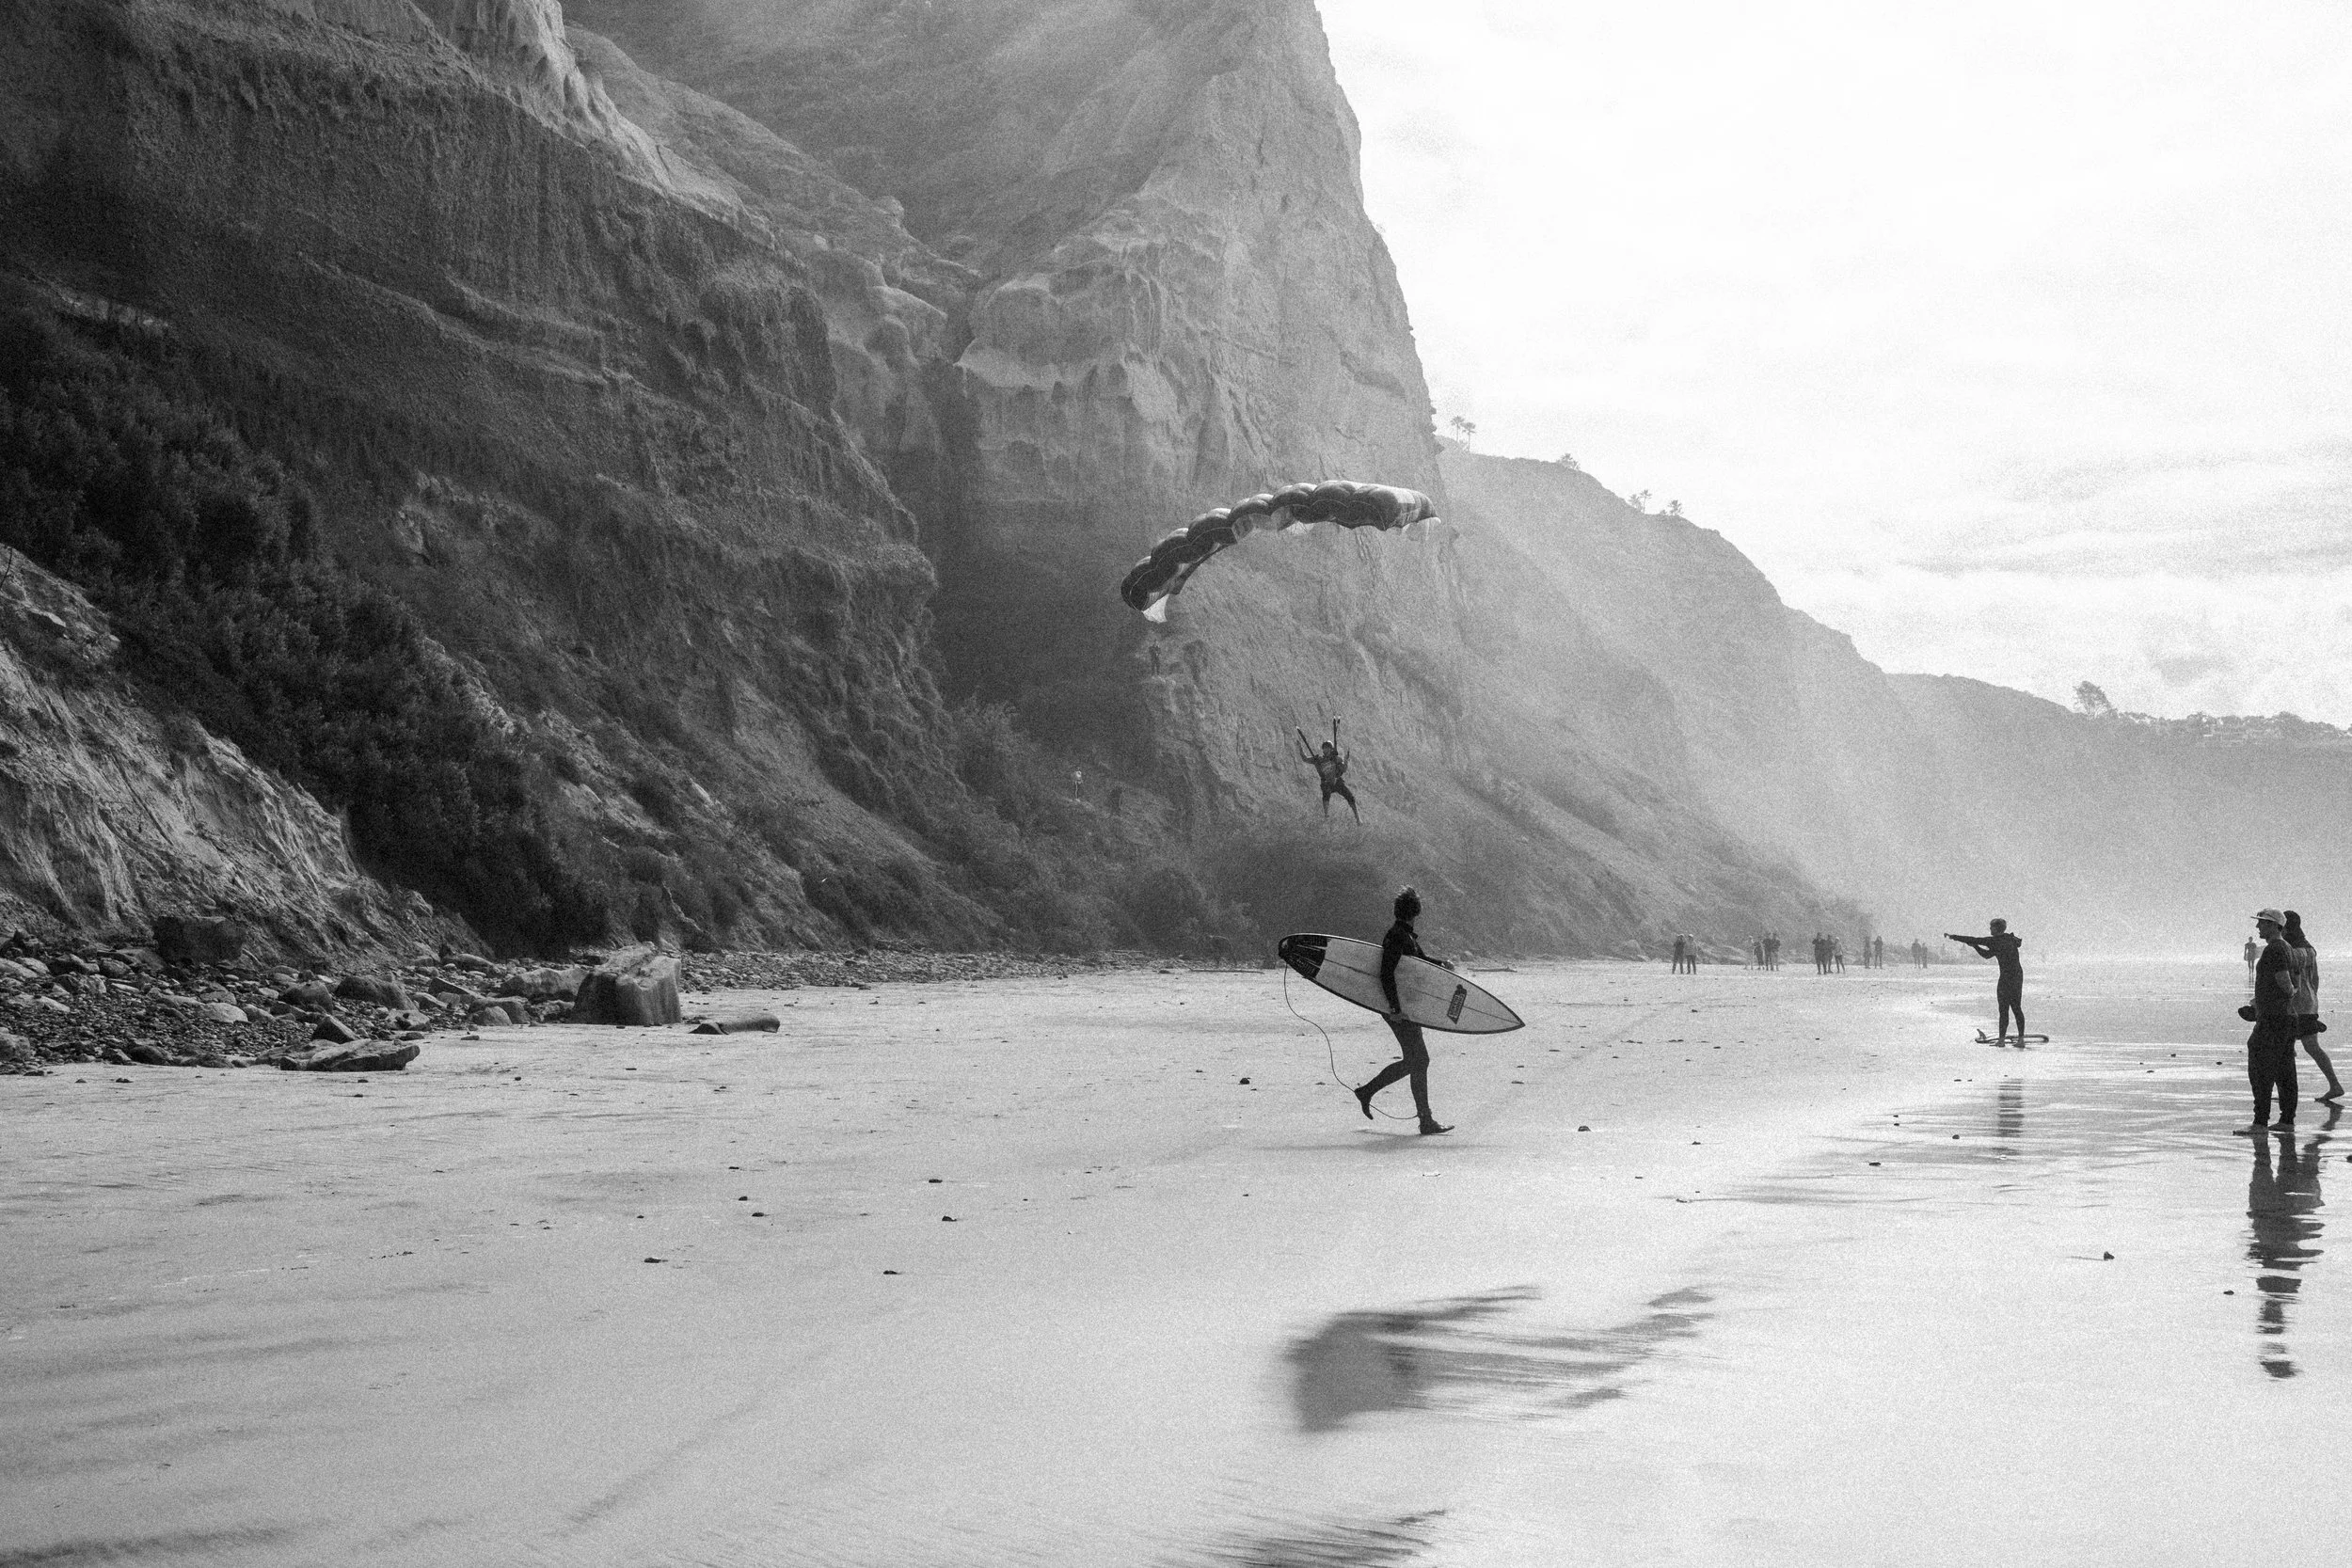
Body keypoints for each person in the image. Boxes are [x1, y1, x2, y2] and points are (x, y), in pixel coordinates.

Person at [1354, 886, 1452, 1134]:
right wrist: (1395, 1009)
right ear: (1415, 912)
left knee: (1417, 1060)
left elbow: (1419, 962)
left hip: (1404, 1006)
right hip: (1398, 1008)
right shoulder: (1398, 936)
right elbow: (1386, 973)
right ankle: (1423, 1120)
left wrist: (1441, 964)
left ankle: (1372, 1094)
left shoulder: (1403, 935)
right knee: (1420, 1060)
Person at [2242, 910, 2301, 1132]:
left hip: (2273, 1019)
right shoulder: (2288, 949)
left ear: (2276, 926)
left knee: (2260, 1066)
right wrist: (2261, 998)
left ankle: (2260, 1122)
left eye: (2263, 924)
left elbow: (2286, 985)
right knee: (2285, 1069)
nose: (2258, 928)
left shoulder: (2274, 949)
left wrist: (2268, 1000)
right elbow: (2293, 984)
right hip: (2286, 1017)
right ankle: (2287, 1120)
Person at [2282, 911, 2344, 1104]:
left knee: (2287, 1046)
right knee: (2309, 1047)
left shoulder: (2292, 951)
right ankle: (2334, 1085)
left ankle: (2287, 1091)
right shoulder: (2309, 949)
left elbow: (2291, 979)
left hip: (2295, 1004)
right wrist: (2312, 998)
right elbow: (2315, 978)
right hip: (2309, 1002)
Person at [1946, 918, 2027, 1043]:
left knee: (2003, 1009)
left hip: (2006, 977)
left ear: (1996, 928)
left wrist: (1957, 938)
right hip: (2017, 976)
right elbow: (1988, 954)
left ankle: (2001, 1040)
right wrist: (1975, 945)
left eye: (1991, 927)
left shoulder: (1993, 941)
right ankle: (2021, 1039)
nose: (1990, 929)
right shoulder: (2009, 939)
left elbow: (1977, 944)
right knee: (2016, 1008)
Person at [1295, 720, 1360, 823]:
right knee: (1326, 794)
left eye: (1328, 748)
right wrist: (1300, 748)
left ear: (1331, 749)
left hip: (1337, 781)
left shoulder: (1337, 759)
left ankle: (1358, 818)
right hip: (1327, 783)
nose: (1326, 750)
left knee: (1350, 797)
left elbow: (1344, 769)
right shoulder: (1319, 760)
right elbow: (1305, 758)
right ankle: (1326, 815)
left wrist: (1346, 760)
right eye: (1324, 748)